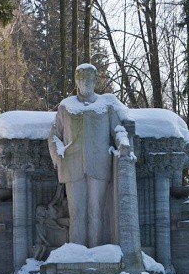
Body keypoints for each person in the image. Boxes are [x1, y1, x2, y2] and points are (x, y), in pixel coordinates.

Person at [48, 64, 131, 247]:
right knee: (76, 213)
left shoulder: (106, 106)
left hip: (99, 165)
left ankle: (96, 251)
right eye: (82, 79)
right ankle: (76, 252)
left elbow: (118, 130)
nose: (85, 83)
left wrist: (123, 143)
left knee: (96, 212)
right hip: (72, 165)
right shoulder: (66, 106)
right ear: (77, 81)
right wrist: (57, 155)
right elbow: (54, 135)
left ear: (95, 81)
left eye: (89, 79)